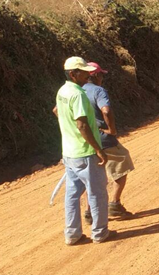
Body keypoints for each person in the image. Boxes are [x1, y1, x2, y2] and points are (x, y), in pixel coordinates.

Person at [55, 57, 113, 245]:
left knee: (72, 194)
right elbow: (82, 124)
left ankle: (72, 234)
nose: (88, 74)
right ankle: (100, 232)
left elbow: (57, 113)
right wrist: (98, 149)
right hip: (85, 152)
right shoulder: (77, 94)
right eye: (83, 71)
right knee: (97, 192)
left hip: (69, 152)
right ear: (73, 74)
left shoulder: (62, 91)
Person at [81, 62, 135, 222]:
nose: (102, 78)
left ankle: (89, 211)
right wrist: (111, 130)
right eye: (102, 75)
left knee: (90, 176)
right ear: (96, 75)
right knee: (122, 162)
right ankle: (114, 204)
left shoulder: (75, 91)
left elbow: (57, 110)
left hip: (85, 140)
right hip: (104, 139)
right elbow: (106, 110)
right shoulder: (98, 91)